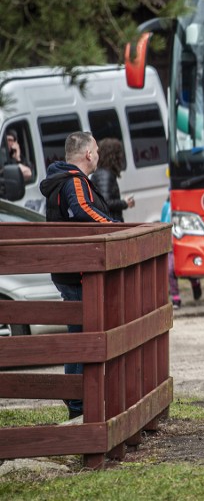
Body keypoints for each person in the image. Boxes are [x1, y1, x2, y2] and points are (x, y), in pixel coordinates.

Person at [38, 131, 116, 419]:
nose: (97, 154)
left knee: (80, 334)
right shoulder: (73, 181)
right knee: (82, 337)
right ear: (87, 154)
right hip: (76, 271)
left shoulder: (66, 179)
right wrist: (115, 226)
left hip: (69, 269)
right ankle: (78, 402)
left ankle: (79, 400)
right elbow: (84, 210)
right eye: (95, 149)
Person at [161, 196, 202, 309]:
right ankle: (175, 297)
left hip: (184, 240)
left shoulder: (185, 206)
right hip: (170, 242)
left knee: (187, 267)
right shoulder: (166, 206)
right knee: (170, 270)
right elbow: (162, 222)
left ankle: (195, 283)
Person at [90, 138, 135, 222]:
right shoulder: (106, 174)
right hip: (110, 222)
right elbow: (106, 202)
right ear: (114, 155)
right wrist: (125, 203)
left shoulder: (102, 172)